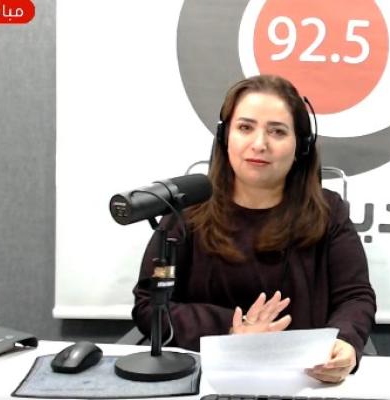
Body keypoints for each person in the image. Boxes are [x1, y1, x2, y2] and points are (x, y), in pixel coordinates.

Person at [132, 75, 377, 383]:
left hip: (306, 378)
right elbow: (149, 306)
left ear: (301, 146)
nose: (259, 144)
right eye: (245, 128)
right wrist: (233, 328)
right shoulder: (185, 212)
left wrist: (346, 342)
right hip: (207, 378)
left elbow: (355, 296)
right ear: (225, 137)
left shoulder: (329, 212)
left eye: (277, 131)